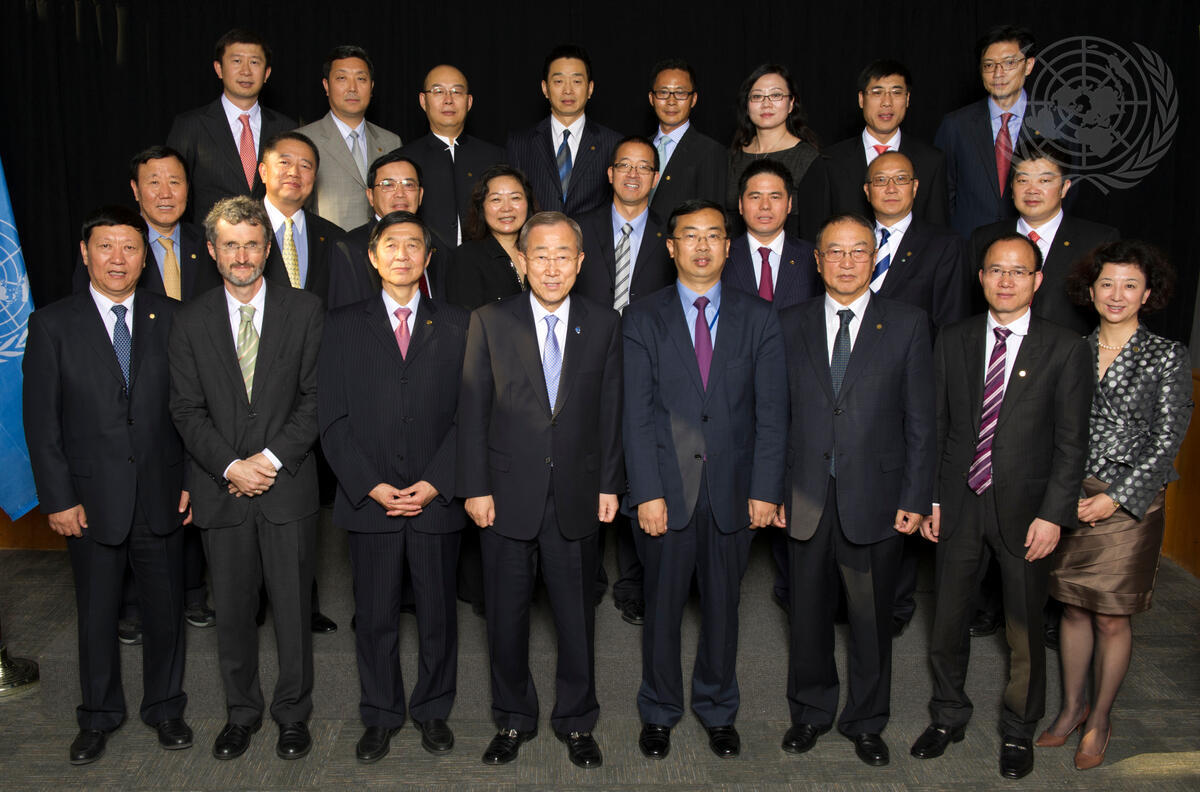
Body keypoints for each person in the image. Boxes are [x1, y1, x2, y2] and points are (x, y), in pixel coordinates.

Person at [912, 234, 1093, 780]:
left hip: (1028, 511)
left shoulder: (1065, 347)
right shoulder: (954, 338)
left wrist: (1054, 514)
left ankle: (1018, 729)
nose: (1006, 280)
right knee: (948, 620)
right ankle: (947, 715)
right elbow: (938, 424)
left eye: (1018, 271)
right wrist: (933, 498)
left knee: (1022, 628)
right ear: (981, 277)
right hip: (959, 504)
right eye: (996, 270)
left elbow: (1071, 443)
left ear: (1037, 281)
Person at [24, 206, 192, 765]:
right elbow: (41, 423)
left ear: (145, 257)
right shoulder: (52, 324)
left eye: (130, 247)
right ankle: (97, 716)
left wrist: (192, 480)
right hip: (89, 500)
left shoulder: (173, 317)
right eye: (105, 246)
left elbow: (191, 409)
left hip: (162, 493)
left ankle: (165, 707)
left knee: (165, 611)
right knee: (97, 615)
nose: (118, 259)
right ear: (85, 252)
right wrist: (58, 498)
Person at [457, 211, 623, 770]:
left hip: (577, 493)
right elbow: (473, 409)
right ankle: (512, 717)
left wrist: (609, 483)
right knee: (506, 618)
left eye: (563, 256)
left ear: (581, 262)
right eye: (541, 256)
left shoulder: (604, 323)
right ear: (522, 261)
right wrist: (475, 487)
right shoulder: (489, 320)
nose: (552, 268)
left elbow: (611, 411)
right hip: (505, 495)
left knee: (576, 618)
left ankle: (577, 720)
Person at [623, 199, 787, 760]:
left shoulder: (759, 316)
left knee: (723, 610)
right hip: (665, 493)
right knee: (662, 610)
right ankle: (659, 710)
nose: (701, 246)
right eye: (689, 236)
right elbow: (636, 414)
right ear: (670, 247)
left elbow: (772, 413)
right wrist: (646, 492)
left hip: (733, 493)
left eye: (713, 235)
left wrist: (765, 489)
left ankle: (718, 710)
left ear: (728, 247)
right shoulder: (642, 317)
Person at [774, 214, 934, 766]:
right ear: (817, 261)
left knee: (870, 621)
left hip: (878, 499)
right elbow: (774, 416)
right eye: (835, 252)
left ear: (875, 259)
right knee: (807, 616)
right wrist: (771, 491)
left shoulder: (908, 323)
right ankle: (810, 712)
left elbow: (921, 421)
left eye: (859, 251)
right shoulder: (788, 322)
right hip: (805, 497)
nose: (847, 262)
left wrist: (915, 498)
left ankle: (867, 721)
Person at [168, 196, 324, 762]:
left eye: (252, 244)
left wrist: (269, 461)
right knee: (232, 613)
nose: (242, 255)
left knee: (293, 611)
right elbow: (186, 409)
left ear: (267, 249)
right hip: (222, 489)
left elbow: (316, 399)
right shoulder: (189, 320)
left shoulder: (305, 310)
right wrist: (233, 467)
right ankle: (241, 713)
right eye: (230, 245)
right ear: (212, 251)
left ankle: (292, 715)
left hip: (289, 487)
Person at [319, 211, 470, 763]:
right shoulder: (341, 325)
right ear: (373, 256)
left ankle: (432, 710)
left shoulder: (459, 323)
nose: (402, 254)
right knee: (375, 615)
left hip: (436, 498)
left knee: (438, 615)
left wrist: (436, 481)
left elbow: (471, 416)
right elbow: (331, 419)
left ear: (428, 258)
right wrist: (371, 485)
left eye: (413, 245)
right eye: (391, 244)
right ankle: (380, 714)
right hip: (370, 501)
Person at [1038, 241, 1192, 770]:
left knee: (1110, 616)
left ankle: (1100, 718)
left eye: (1130, 285)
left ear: (1148, 294)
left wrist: (1116, 497)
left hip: (1130, 505)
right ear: (1091, 289)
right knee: (1073, 607)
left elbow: (1168, 439)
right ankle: (1071, 707)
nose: (1117, 294)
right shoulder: (1071, 348)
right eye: (1107, 283)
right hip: (1071, 494)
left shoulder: (1166, 354)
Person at [575, 135, 675, 625]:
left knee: (640, 470)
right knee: (587, 467)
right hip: (585, 365)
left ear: (655, 178)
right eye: (625, 166)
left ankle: (635, 582)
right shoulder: (579, 227)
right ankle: (586, 574)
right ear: (610, 173)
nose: (633, 175)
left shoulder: (670, 233)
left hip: (647, 368)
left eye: (644, 167)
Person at [971, 144, 1118, 335]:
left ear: (1064, 188)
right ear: (1012, 187)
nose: (1032, 190)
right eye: (1023, 180)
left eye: (1044, 180)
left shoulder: (1097, 241)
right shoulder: (984, 238)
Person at [167, 29, 295, 223]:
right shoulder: (191, 125)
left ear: (267, 73)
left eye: (254, 62)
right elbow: (173, 189)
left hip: (270, 238)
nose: (246, 71)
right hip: (209, 238)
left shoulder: (287, 128)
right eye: (236, 61)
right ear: (219, 69)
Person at [935, 25, 1040, 238]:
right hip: (970, 243)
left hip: (1032, 241)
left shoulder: (1056, 123)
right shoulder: (956, 125)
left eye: (1009, 63)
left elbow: (1067, 189)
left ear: (1028, 65)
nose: (998, 74)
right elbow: (941, 193)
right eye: (989, 65)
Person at [825, 60, 948, 226]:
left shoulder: (931, 161)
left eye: (896, 93)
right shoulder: (830, 161)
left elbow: (938, 229)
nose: (887, 102)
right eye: (877, 93)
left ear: (907, 99)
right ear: (861, 99)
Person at [506, 44, 622, 220]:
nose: (568, 90)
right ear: (545, 88)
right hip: (537, 236)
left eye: (577, 81)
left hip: (592, 237)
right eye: (559, 81)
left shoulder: (613, 143)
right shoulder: (520, 143)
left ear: (590, 88)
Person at [294, 45, 402, 232]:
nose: (352, 88)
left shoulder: (390, 142)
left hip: (385, 244)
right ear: (326, 86)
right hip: (329, 245)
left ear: (371, 87)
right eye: (342, 78)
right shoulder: (303, 141)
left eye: (361, 79)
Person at [864, 152, 970, 336]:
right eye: (881, 180)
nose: (891, 188)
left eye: (901, 179)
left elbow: (952, 324)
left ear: (914, 187)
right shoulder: (851, 241)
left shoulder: (945, 245)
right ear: (867, 190)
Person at [400, 64, 506, 245]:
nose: (448, 100)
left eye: (456, 92)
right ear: (423, 101)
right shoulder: (404, 160)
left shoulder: (496, 157)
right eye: (438, 91)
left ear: (469, 102)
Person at [327, 152, 449, 309]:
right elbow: (345, 318)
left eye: (408, 185)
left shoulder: (437, 246)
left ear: (420, 195)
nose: (400, 194)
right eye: (388, 185)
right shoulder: (349, 248)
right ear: (370, 196)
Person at [727, 64, 829, 241]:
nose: (766, 104)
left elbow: (816, 230)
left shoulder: (807, 159)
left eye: (776, 95)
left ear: (791, 104)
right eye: (757, 96)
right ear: (747, 105)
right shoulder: (732, 156)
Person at [722, 158, 820, 311]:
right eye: (755, 197)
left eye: (774, 197)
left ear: (789, 204)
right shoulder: (722, 257)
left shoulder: (812, 257)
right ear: (740, 205)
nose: (765, 206)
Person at [258, 131, 340, 305]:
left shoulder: (335, 238)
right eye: (284, 162)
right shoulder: (237, 229)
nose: (294, 172)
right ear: (263, 172)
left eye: (305, 166)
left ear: (315, 178)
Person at [444, 164, 536, 311]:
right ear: (482, 207)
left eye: (515, 198)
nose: (507, 208)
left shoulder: (541, 252)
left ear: (528, 203)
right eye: (496, 200)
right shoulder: (465, 258)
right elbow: (465, 319)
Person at [646, 58, 726, 220]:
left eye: (680, 93)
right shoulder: (641, 147)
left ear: (693, 99)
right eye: (663, 92)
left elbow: (712, 216)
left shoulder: (710, 152)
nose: (671, 101)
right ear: (651, 98)